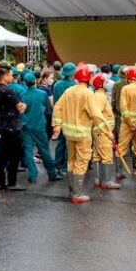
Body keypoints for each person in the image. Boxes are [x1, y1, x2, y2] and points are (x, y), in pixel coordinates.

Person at [51, 64, 100, 203]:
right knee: (82, 160)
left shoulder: (68, 91)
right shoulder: (88, 93)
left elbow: (57, 108)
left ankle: (72, 190)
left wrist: (57, 126)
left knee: (71, 160)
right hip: (82, 133)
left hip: (69, 134)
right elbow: (95, 114)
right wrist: (106, 131)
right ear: (88, 78)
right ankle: (77, 194)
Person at [20, 71, 60, 184]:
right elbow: (49, 108)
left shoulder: (23, 95)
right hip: (39, 126)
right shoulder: (42, 94)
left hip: (26, 126)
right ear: (35, 81)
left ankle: (33, 174)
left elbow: (22, 110)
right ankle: (52, 174)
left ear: (25, 82)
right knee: (44, 150)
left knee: (28, 151)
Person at [0, 65, 26, 191]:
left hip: (2, 127)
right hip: (12, 128)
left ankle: (1, 182)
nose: (12, 77)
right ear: (5, 76)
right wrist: (23, 106)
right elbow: (20, 107)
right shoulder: (8, 91)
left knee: (2, 155)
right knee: (14, 156)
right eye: (11, 75)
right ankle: (12, 182)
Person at [91, 73, 120, 190]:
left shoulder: (100, 95)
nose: (108, 84)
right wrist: (107, 131)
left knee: (98, 155)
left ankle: (98, 180)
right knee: (107, 156)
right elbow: (97, 115)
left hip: (100, 131)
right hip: (102, 132)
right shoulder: (99, 97)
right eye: (106, 82)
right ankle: (107, 181)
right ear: (101, 84)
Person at [51, 62, 77, 176]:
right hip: (72, 117)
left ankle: (57, 165)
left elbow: (56, 103)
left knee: (60, 142)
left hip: (59, 116)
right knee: (69, 143)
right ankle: (66, 166)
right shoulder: (75, 85)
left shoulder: (57, 85)